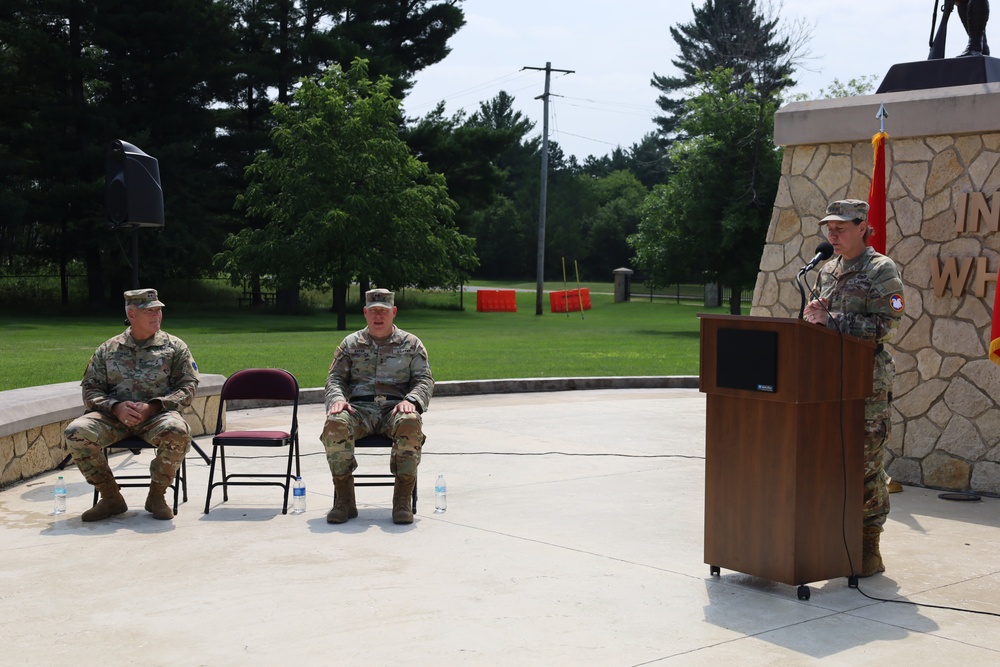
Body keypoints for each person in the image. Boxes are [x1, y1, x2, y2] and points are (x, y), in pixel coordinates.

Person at [804, 200, 905, 577]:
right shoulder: (826, 268)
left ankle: (868, 546)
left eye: (841, 228)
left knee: (864, 461)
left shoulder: (881, 269)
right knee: (830, 461)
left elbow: (885, 325)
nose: (833, 234)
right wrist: (813, 316)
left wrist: (830, 319)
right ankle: (832, 537)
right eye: (829, 227)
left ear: (863, 227)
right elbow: (819, 320)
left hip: (867, 381)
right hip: (827, 380)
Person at [63, 289, 199, 521]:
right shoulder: (108, 349)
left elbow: (188, 387)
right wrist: (115, 407)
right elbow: (90, 389)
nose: (157, 315)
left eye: (159, 310)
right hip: (114, 417)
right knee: (75, 432)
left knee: (178, 432)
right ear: (132, 314)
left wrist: (154, 407)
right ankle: (110, 498)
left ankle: (157, 496)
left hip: (157, 416)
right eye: (150, 311)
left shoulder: (175, 347)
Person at [320, 288, 434, 525]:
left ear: (394, 312)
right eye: (373, 312)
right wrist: (338, 399)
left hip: (395, 410)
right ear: (365, 313)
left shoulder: (411, 344)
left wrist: (411, 400)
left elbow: (424, 379)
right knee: (335, 423)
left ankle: (402, 499)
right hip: (359, 411)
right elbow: (335, 378)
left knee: (411, 422)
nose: (378, 317)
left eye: (383, 311)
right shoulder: (350, 344)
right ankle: (344, 500)